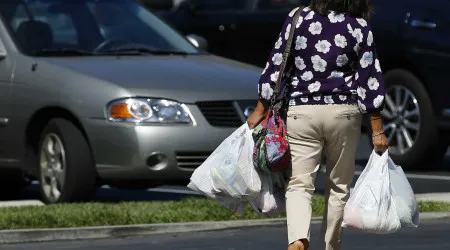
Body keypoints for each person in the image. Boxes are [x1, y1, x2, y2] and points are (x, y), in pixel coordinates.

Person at [247, 1, 389, 250]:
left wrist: (260, 110)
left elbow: (277, 64)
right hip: (343, 113)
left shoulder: (298, 18)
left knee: (300, 183)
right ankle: (330, 246)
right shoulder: (358, 25)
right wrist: (377, 129)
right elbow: (369, 78)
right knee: (338, 186)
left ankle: (298, 238)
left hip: (302, 112)